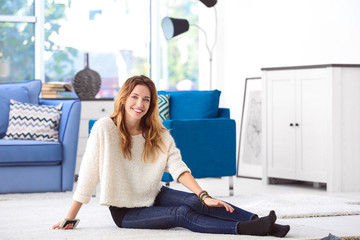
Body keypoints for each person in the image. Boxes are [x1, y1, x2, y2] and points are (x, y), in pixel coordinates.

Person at [53, 75, 290, 237]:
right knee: (183, 213)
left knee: (193, 201)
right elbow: (88, 175)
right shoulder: (105, 128)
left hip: (152, 193)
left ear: (152, 103)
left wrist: (203, 195)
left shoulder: (158, 133)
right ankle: (243, 229)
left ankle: (263, 223)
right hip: (125, 211)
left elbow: (178, 167)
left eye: (146, 99)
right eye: (135, 97)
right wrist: (70, 218)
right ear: (124, 98)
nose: (140, 103)